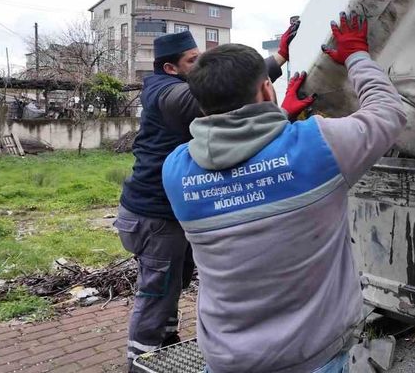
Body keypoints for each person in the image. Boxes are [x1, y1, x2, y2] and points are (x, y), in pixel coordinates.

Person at [161, 12, 406, 373]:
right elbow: (388, 113)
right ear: (266, 90)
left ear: (201, 104)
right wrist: (356, 54)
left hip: (226, 359)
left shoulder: (176, 171)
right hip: (310, 357)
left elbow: (246, 165)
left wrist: (280, 118)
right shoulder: (318, 147)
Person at [114, 22, 301, 372]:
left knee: (171, 287)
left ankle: (162, 349)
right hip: (154, 217)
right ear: (170, 68)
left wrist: (277, 59)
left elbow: (227, 94)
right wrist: (276, 99)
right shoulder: (162, 90)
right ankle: (138, 363)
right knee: (156, 296)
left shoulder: (175, 85)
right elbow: (217, 94)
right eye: (192, 60)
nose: (200, 68)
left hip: (165, 214)